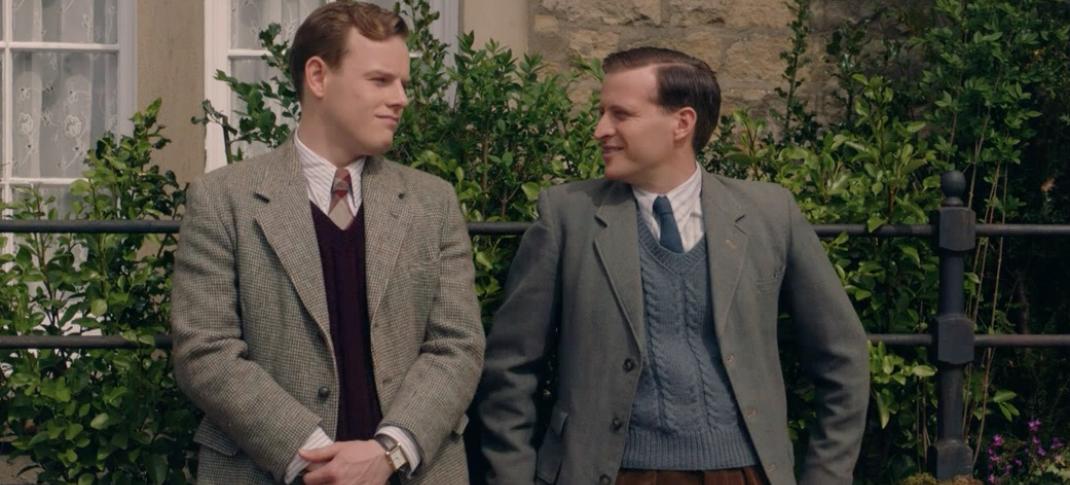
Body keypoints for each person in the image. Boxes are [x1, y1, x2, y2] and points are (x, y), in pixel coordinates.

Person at [478, 46, 869, 485]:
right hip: (608, 473)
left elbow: (844, 356)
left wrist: (827, 477)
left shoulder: (769, 214)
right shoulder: (567, 216)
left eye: (620, 114)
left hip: (742, 474)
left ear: (681, 123)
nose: (599, 129)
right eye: (601, 112)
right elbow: (510, 370)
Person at [171, 3, 483, 484]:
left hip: (410, 472)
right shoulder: (223, 199)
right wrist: (313, 455)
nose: (401, 98)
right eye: (381, 80)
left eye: (403, 83)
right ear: (318, 76)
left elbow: (457, 346)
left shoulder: (431, 202)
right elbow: (204, 350)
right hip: (268, 471)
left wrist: (387, 452)